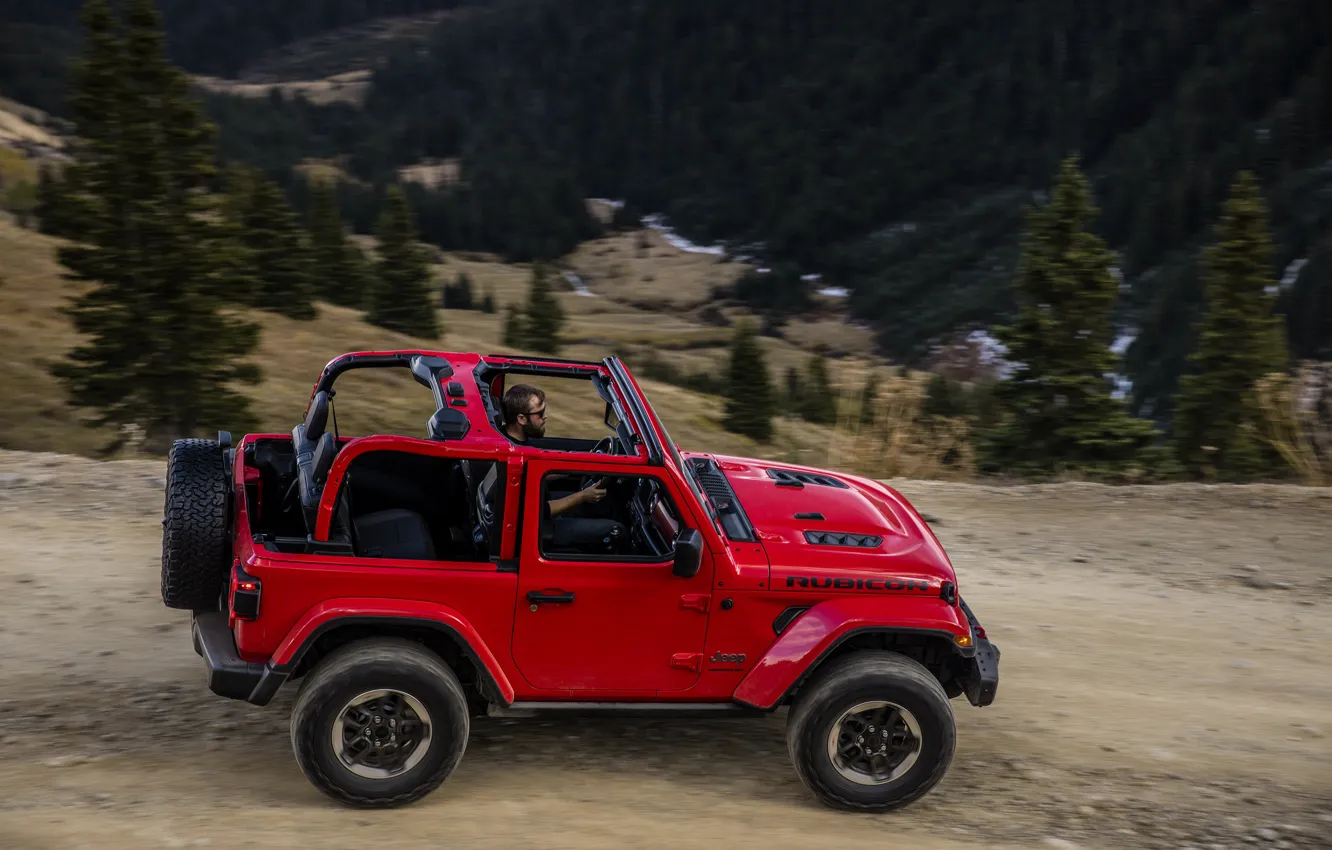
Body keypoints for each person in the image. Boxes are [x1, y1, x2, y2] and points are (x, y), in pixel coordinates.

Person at [501, 383, 606, 518]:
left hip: (542, 499)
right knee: (614, 529)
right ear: (521, 419)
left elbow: (536, 476)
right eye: (539, 413)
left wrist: (578, 463)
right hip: (541, 526)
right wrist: (582, 496)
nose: (545, 417)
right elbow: (540, 511)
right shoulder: (517, 458)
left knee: (602, 506)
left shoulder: (512, 440)